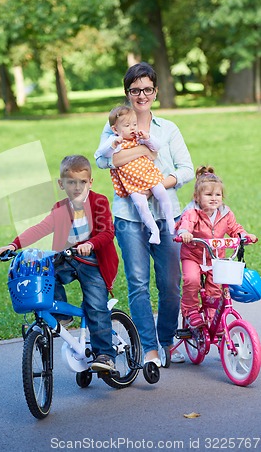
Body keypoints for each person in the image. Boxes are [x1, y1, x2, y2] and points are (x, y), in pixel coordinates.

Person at [95, 62, 194, 367]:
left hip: (167, 214)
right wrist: (142, 153)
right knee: (137, 283)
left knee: (169, 284)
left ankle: (165, 339)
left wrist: (156, 185)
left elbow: (186, 170)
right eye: (135, 90)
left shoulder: (168, 129)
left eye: (147, 89)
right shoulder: (114, 123)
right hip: (128, 215)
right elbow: (103, 161)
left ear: (155, 92)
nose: (141, 95)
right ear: (128, 93)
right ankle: (149, 348)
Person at [0, 155, 119, 372]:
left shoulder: (99, 201)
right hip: (68, 258)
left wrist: (90, 243)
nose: (77, 187)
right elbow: (40, 228)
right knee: (45, 274)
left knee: (95, 307)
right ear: (61, 184)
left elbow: (108, 231)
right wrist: (13, 245)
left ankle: (105, 354)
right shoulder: (60, 208)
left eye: (82, 182)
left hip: (93, 260)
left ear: (90, 182)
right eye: (71, 182)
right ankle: (62, 315)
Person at [175, 165, 258, 327]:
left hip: (215, 257)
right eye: (208, 194)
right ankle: (190, 311)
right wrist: (185, 233)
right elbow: (186, 224)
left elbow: (235, 228)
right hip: (193, 256)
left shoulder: (225, 213)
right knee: (191, 280)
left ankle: (213, 317)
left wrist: (244, 236)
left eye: (217, 194)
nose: (214, 198)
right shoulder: (192, 212)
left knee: (216, 286)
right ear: (197, 197)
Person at [96, 104, 175, 244]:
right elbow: (103, 154)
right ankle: (154, 230)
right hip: (131, 182)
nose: (133, 128)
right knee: (141, 206)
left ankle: (170, 221)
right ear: (115, 129)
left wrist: (148, 138)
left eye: (134, 124)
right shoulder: (114, 141)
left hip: (148, 174)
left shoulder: (139, 137)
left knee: (161, 192)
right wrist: (113, 145)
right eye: (127, 125)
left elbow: (156, 148)